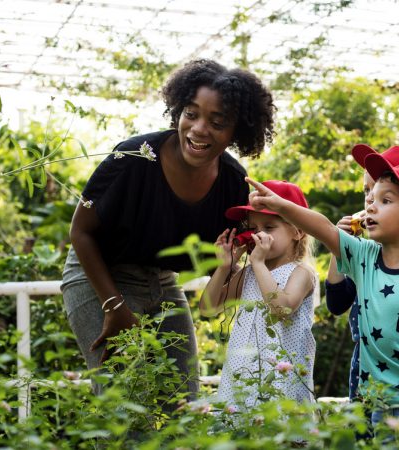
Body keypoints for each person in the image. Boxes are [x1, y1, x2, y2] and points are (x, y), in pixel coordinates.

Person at [61, 59, 275, 400]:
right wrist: (114, 307)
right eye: (191, 113)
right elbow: (80, 232)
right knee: (125, 403)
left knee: (184, 402)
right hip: (99, 275)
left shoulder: (234, 183)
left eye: (217, 122)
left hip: (160, 279)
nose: (198, 128)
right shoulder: (132, 157)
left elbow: (232, 264)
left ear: (238, 131)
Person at [246, 144, 399, 449]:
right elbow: (323, 228)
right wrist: (282, 206)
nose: (370, 204)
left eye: (385, 200)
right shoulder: (363, 255)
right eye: (370, 196)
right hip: (381, 404)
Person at [325, 144, 399, 401]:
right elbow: (336, 303)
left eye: (383, 196)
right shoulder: (363, 248)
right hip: (367, 356)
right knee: (366, 435)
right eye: (367, 191)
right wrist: (339, 245)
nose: (369, 200)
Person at [201, 180, 316, 409]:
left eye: (269, 227)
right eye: (253, 229)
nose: (258, 235)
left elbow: (281, 309)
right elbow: (208, 307)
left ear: (298, 231)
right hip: (242, 378)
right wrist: (224, 267)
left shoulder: (302, 273)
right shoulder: (250, 272)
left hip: (281, 384)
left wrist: (258, 264)